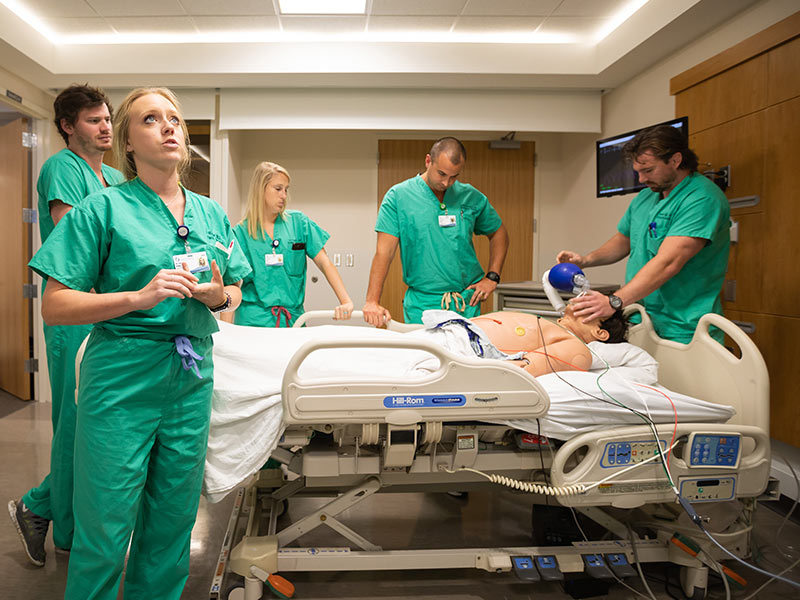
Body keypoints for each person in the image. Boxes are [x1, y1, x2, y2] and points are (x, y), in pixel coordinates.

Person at [27, 87, 251, 600]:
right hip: (122, 377)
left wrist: (220, 296)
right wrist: (135, 297)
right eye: (151, 119)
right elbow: (55, 304)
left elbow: (235, 287)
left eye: (174, 118)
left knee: (171, 529)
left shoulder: (212, 214)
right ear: (128, 140)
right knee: (105, 529)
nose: (169, 127)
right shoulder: (102, 209)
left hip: (191, 378)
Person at [8, 84, 125, 567]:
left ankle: (62, 524)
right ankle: (41, 510)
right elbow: (79, 237)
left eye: (107, 119)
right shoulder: (62, 168)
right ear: (67, 126)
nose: (104, 128)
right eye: (94, 120)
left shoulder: (116, 176)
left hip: (114, 311)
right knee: (76, 424)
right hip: (76, 310)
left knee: (100, 426)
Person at [557, 124, 730, 343]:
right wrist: (586, 259)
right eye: (638, 172)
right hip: (642, 318)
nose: (641, 180)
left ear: (675, 160)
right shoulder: (646, 197)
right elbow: (624, 239)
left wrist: (614, 302)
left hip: (685, 326)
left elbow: (669, 262)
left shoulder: (702, 199)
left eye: (648, 170)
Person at [363, 137, 509, 326]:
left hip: (466, 302)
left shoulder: (470, 196)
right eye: (441, 174)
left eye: (454, 176)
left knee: (465, 355)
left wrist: (492, 277)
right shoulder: (398, 197)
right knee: (428, 356)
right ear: (428, 161)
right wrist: (372, 301)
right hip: (423, 304)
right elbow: (384, 252)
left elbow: (499, 232)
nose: (446, 183)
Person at [227, 161, 353, 327]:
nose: (284, 195)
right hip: (253, 321)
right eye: (278, 189)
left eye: (286, 189)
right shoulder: (241, 233)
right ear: (260, 189)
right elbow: (232, 285)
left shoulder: (299, 223)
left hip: (292, 320)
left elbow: (324, 262)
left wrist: (346, 301)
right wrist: (227, 332)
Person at [469, 305, 628, 377]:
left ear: (599, 332)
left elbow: (522, 371)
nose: (584, 299)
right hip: (454, 328)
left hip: (462, 348)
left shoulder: (578, 350)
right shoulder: (554, 329)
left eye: (593, 307)